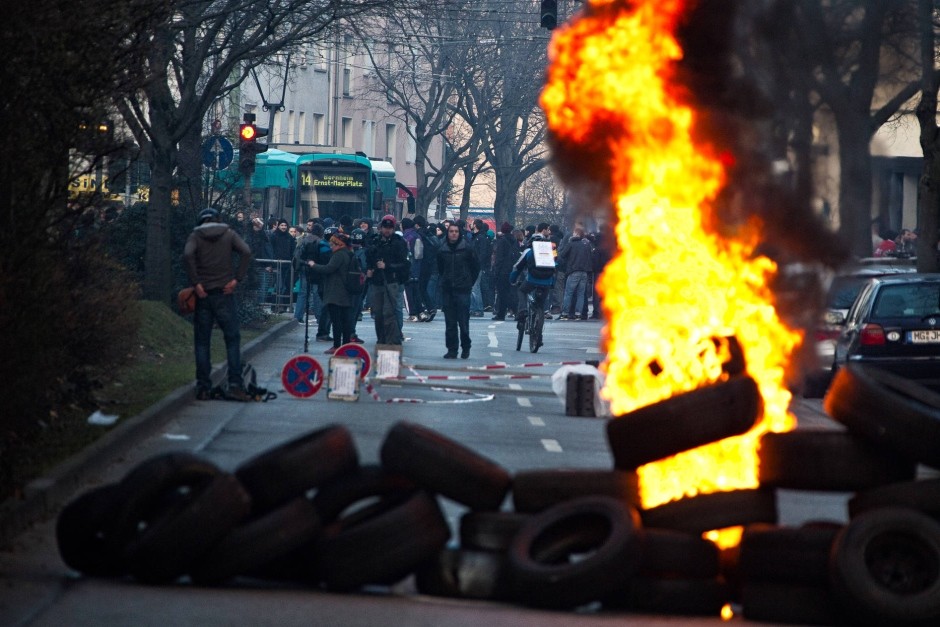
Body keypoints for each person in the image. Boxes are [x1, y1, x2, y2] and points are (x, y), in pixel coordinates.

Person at [183, 207, 253, 401]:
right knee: (232, 339)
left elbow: (188, 255)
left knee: (202, 341)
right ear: (218, 219)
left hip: (203, 294)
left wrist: (196, 282)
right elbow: (246, 251)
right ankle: (235, 385)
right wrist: (236, 279)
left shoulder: (196, 236)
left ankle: (203, 387)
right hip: (225, 292)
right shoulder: (228, 233)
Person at [304, 232, 355, 353]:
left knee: (336, 320)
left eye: (332, 244)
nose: (331, 246)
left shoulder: (339, 255)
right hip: (346, 291)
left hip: (336, 292)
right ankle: (346, 345)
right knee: (345, 320)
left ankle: (337, 346)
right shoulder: (349, 253)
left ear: (339, 244)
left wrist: (313, 265)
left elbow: (328, 269)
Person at [437, 222, 480, 359]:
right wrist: (445, 280)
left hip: (463, 289)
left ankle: (466, 347)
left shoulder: (467, 248)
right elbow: (440, 268)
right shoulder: (442, 249)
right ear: (448, 233)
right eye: (451, 231)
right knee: (450, 322)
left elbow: (475, 267)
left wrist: (468, 282)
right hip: (448, 289)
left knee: (463, 321)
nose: (454, 233)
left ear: (459, 233)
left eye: (456, 231)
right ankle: (452, 349)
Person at [366, 214, 409, 345]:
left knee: (389, 313)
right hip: (377, 281)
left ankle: (392, 340)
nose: (387, 230)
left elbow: (404, 264)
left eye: (390, 228)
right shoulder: (375, 241)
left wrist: (388, 266)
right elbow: (369, 257)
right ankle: (381, 339)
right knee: (378, 313)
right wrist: (370, 269)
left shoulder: (399, 243)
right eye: (385, 227)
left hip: (391, 281)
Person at [510, 233, 557, 351]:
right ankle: (538, 336)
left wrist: (512, 279)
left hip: (532, 280)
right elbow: (557, 263)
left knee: (522, 291)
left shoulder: (528, 251)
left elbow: (518, 267)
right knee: (540, 305)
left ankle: (522, 311)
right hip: (547, 282)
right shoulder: (552, 250)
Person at [558, 227, 594, 320]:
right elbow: (590, 257)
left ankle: (565, 313)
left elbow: (562, 254)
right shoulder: (587, 245)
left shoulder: (571, 243)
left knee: (568, 293)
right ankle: (579, 313)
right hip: (584, 272)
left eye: (574, 233)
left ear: (576, 234)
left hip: (573, 271)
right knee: (581, 294)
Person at [492, 222, 519, 321]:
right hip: (512, 269)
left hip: (503, 270)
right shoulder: (514, 240)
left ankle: (501, 314)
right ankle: (517, 311)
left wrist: (496, 270)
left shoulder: (502, 241)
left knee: (502, 293)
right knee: (511, 292)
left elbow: (499, 258)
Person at [269, 218, 296, 308]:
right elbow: (270, 249)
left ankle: (282, 306)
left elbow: (293, 250)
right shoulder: (274, 236)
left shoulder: (289, 237)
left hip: (287, 265)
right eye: (282, 225)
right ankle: (275, 305)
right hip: (276, 264)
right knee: (279, 286)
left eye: (285, 225)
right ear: (278, 226)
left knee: (284, 286)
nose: (284, 227)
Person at [469, 219, 492, 318]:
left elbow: (482, 254)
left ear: (475, 225)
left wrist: (477, 264)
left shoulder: (480, 238)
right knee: (474, 288)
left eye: (472, 223)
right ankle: (474, 308)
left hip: (477, 266)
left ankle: (478, 309)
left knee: (475, 288)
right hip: (475, 265)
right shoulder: (477, 237)